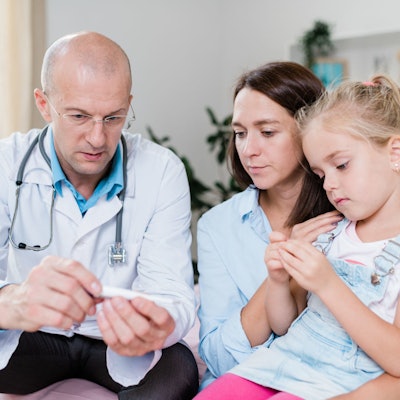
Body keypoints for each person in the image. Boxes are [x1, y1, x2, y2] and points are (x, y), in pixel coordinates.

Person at [0, 31, 199, 399]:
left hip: (116, 344)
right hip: (30, 338)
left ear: (128, 104)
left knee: (180, 369)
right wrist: (11, 303)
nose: (97, 138)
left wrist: (159, 324)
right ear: (44, 104)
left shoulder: (161, 170)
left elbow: (173, 291)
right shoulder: (6, 163)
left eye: (113, 117)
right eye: (79, 116)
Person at [194, 74, 400, 399]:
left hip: (334, 380)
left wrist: (328, 283)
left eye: (342, 166)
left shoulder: (350, 228)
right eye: (320, 174)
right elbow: (285, 324)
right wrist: (276, 280)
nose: (329, 184)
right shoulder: (335, 231)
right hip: (279, 364)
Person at [196, 61, 341, 389]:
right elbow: (217, 356)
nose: (248, 150)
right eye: (240, 133)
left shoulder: (349, 215)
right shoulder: (216, 226)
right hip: (239, 384)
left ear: (308, 129)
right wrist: (283, 265)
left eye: (267, 132)